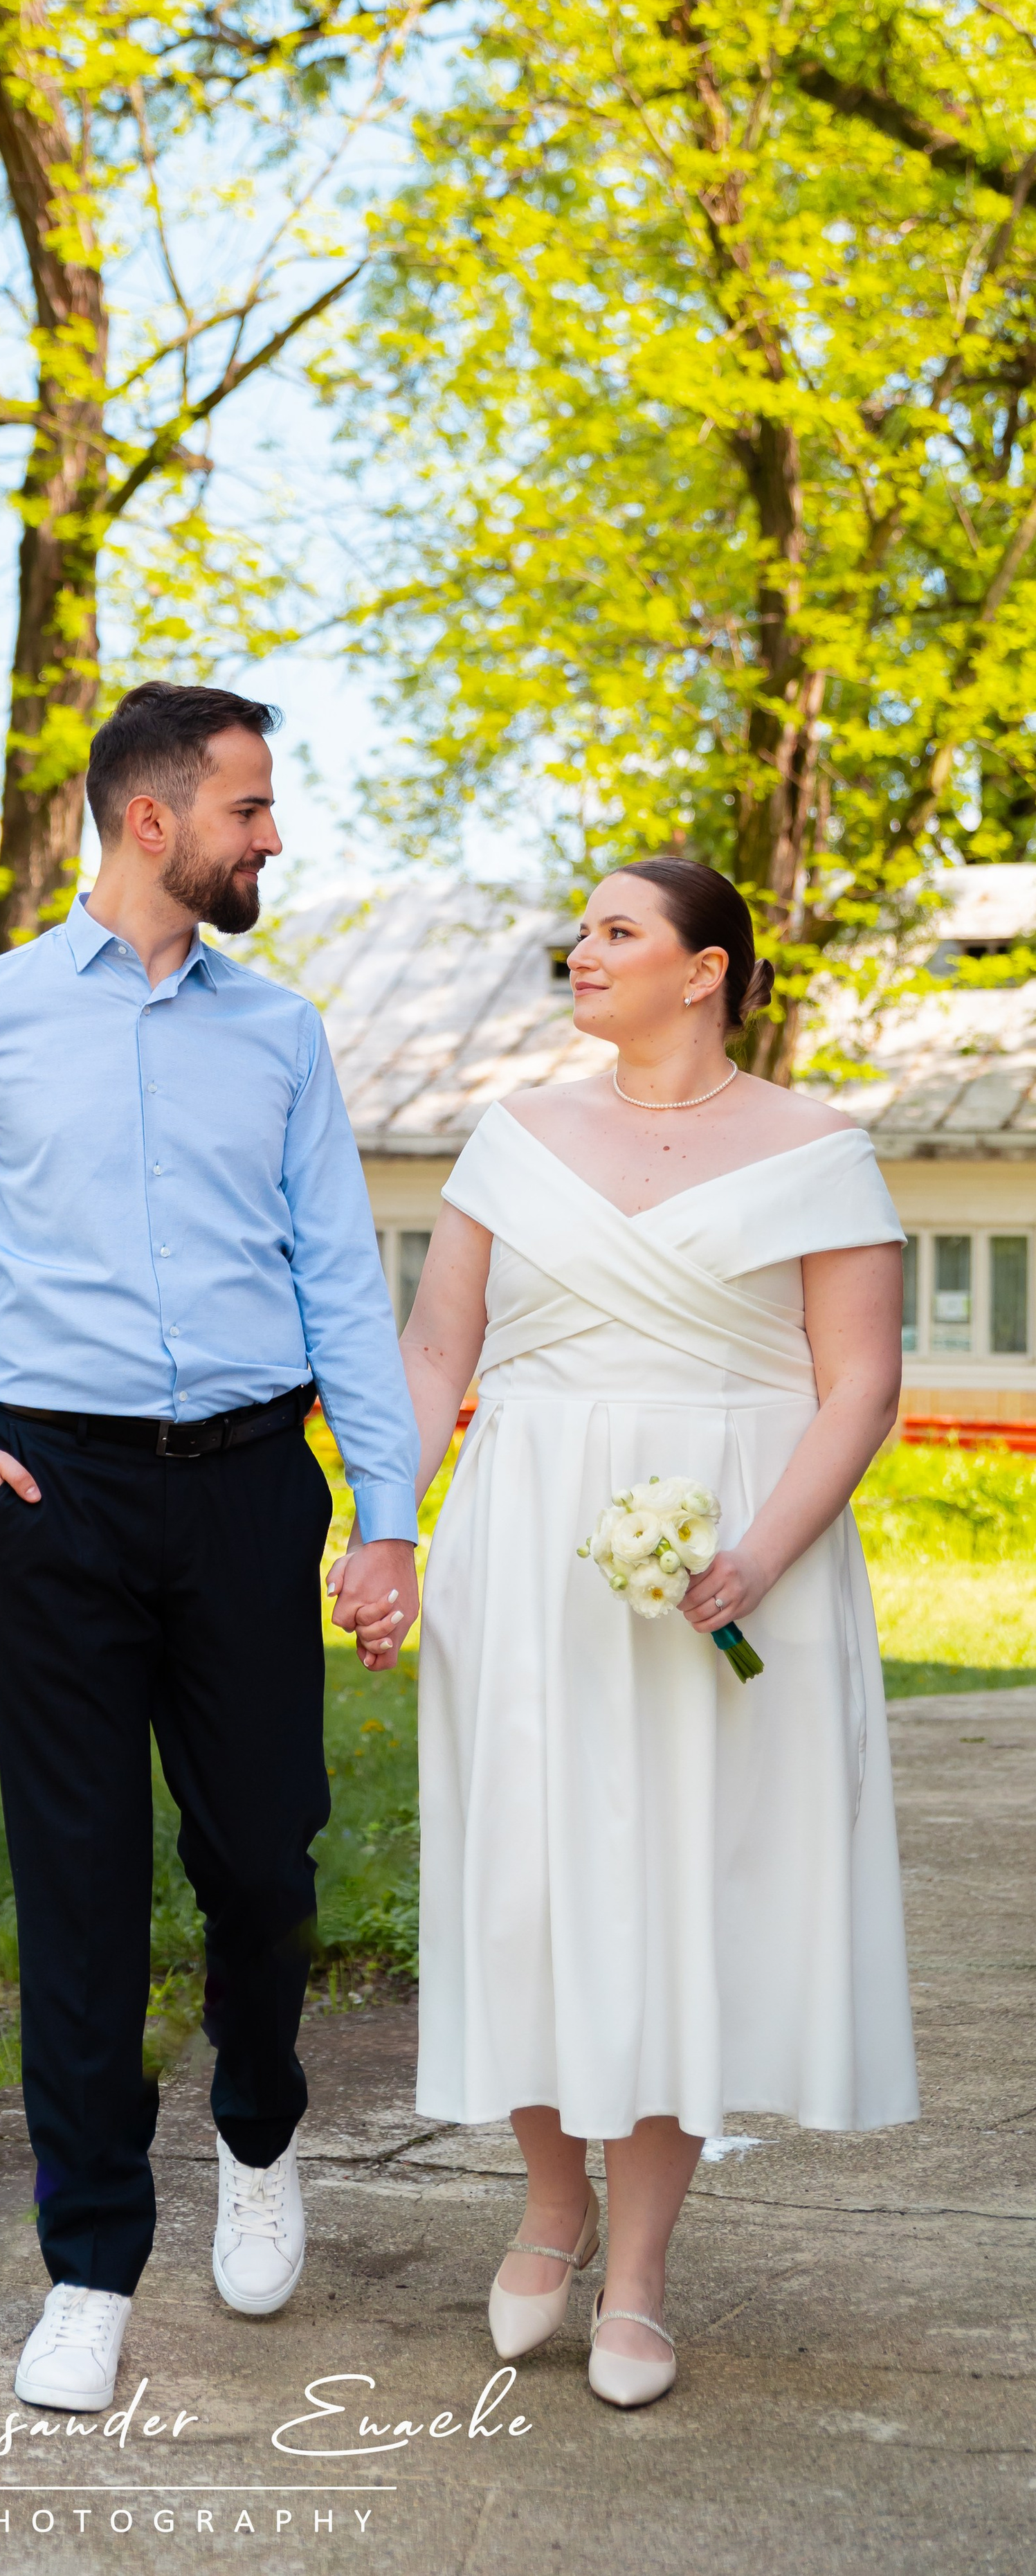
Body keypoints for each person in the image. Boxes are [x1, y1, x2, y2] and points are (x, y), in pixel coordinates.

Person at [0, 681, 419, 2413]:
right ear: (152, 821)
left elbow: (340, 1282)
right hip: (54, 1499)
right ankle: (87, 2262)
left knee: (263, 1863)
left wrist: (383, 1519)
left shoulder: (283, 1033)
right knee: (76, 1888)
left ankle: (258, 2128)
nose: (271, 837)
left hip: (250, 1482)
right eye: (249, 808)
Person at [349, 858, 918, 2408]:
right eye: (581, 930)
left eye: (616, 932)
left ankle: (645, 2273)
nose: (579, 953)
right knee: (526, 1868)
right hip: (524, 1537)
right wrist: (383, 1528)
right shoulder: (511, 1136)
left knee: (681, 1885)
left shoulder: (817, 1149)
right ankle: (548, 2199)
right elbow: (434, 1342)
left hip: (731, 1547)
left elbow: (855, 1379)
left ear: (703, 968)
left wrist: (759, 1555)